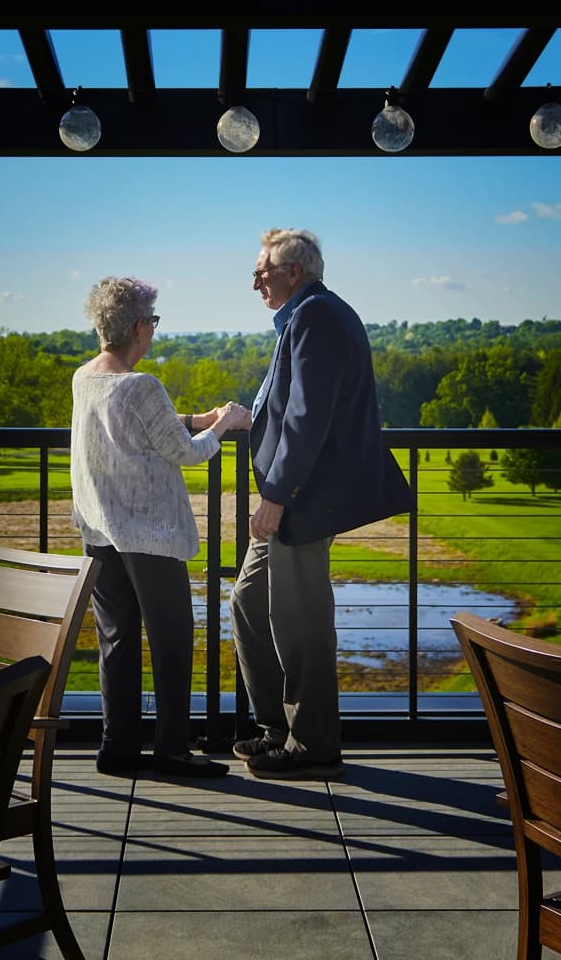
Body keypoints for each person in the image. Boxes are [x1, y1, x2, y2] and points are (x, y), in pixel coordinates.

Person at [230, 229, 412, 780]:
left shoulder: (317, 316)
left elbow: (307, 419)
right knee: (248, 602)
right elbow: (289, 409)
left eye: (262, 271)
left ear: (294, 272)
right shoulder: (306, 316)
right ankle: (276, 729)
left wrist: (276, 497)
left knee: (300, 621)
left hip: (303, 500)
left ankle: (312, 744)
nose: (254, 282)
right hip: (294, 497)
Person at [71, 276, 249, 778]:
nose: (154, 329)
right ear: (137, 327)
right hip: (147, 533)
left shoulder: (85, 377)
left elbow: (146, 424)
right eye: (152, 320)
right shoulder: (142, 385)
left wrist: (197, 416)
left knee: (118, 640)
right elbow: (185, 453)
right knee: (171, 641)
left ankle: (117, 747)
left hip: (99, 530)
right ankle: (172, 751)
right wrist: (225, 422)